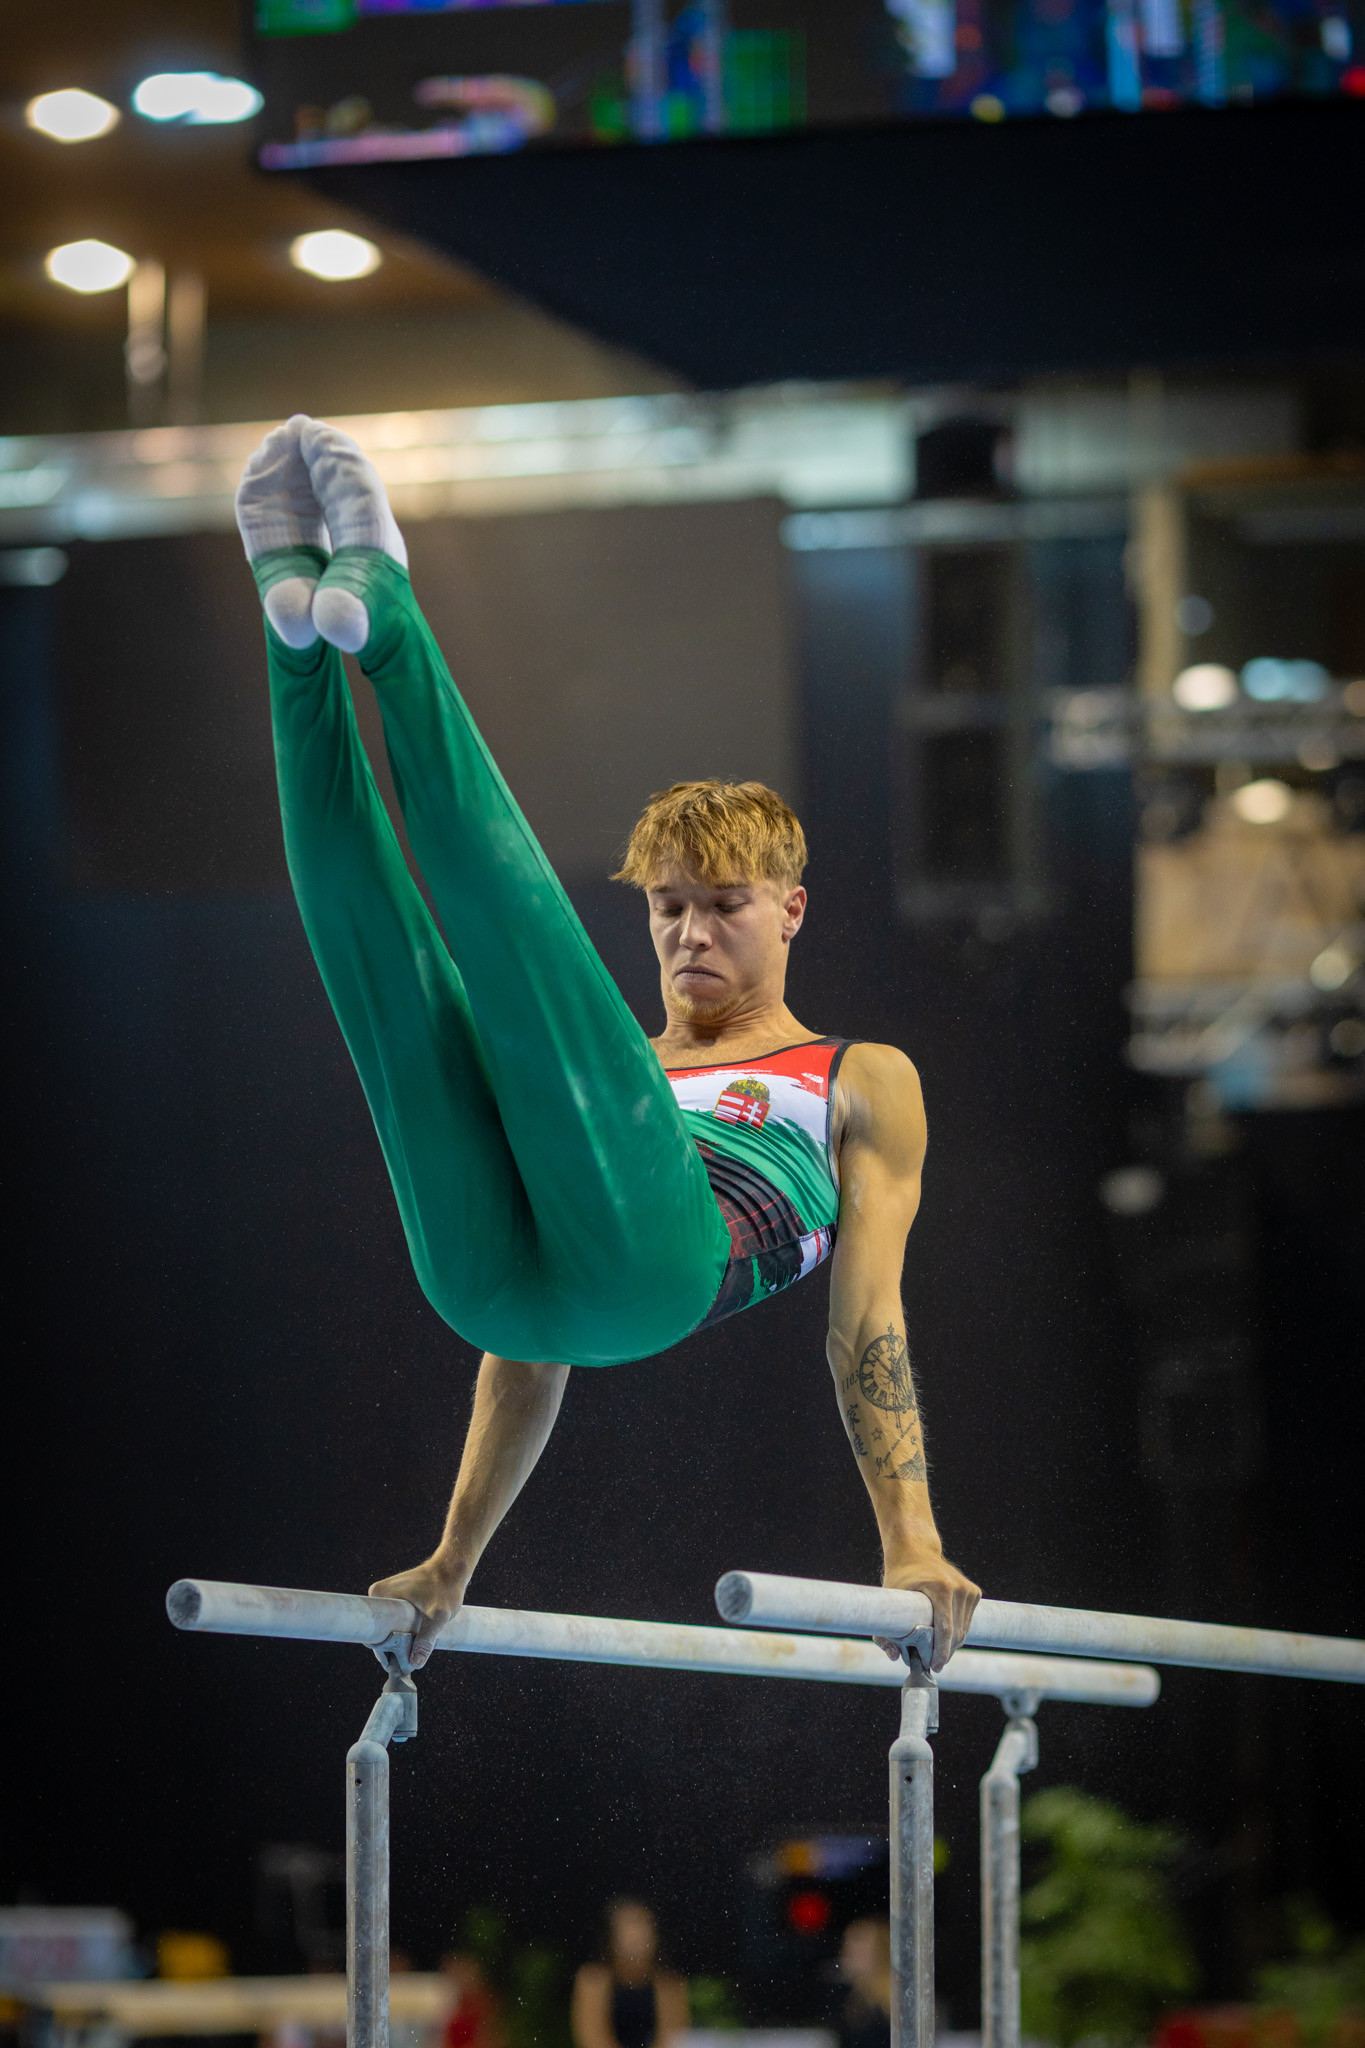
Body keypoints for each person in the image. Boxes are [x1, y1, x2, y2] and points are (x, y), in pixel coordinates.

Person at [234, 415, 979, 1673]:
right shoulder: (607, 1062)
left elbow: (868, 1314)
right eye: (668, 905)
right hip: (495, 1285)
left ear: (792, 910)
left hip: (660, 1276)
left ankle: (387, 622)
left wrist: (911, 1541)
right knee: (398, 984)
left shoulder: (856, 1076)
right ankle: (300, 633)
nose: (691, 932)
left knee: (495, 962)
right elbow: (526, 1359)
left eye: (725, 903)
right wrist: (452, 1560)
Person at [571, 1901, 688, 2048]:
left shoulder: (668, 1982)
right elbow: (592, 2038)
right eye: (629, 1930)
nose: (637, 1938)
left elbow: (673, 2037)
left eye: (642, 1929)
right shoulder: (593, 1978)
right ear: (612, 1936)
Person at [834, 1920, 892, 2048]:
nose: (846, 1955)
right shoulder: (856, 2000)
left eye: (858, 1952)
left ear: (881, 1953)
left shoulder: (895, 2005)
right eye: (845, 1946)